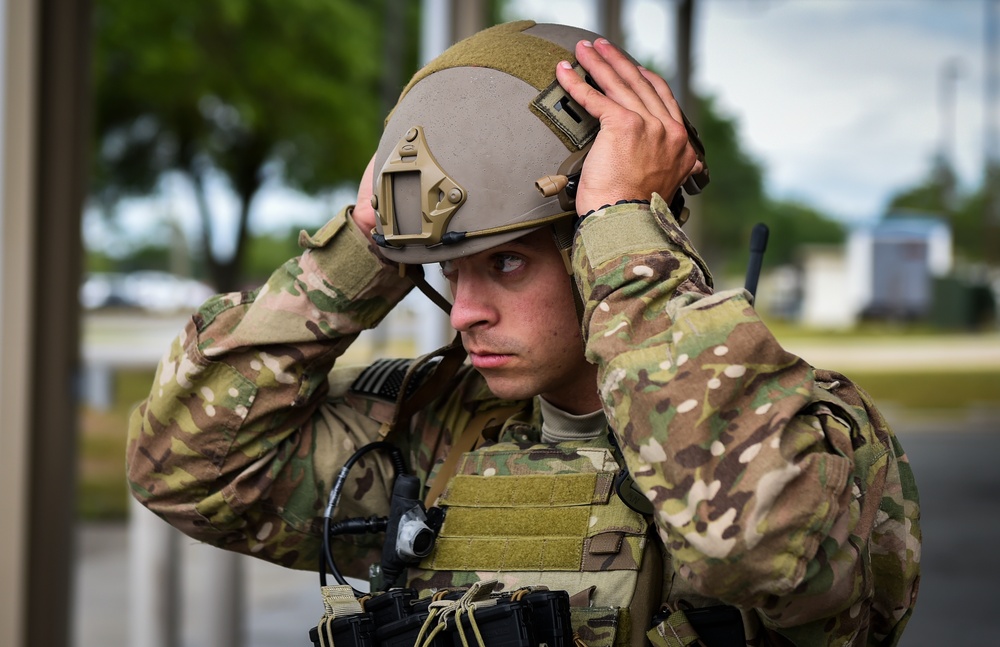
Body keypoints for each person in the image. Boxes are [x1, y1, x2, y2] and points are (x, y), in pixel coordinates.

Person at [126, 20, 921, 646]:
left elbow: (754, 548)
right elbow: (187, 468)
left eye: (505, 263)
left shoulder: (804, 440)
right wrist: (362, 250)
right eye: (449, 271)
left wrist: (626, 239)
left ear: (595, 246)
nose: (464, 310)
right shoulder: (432, 428)